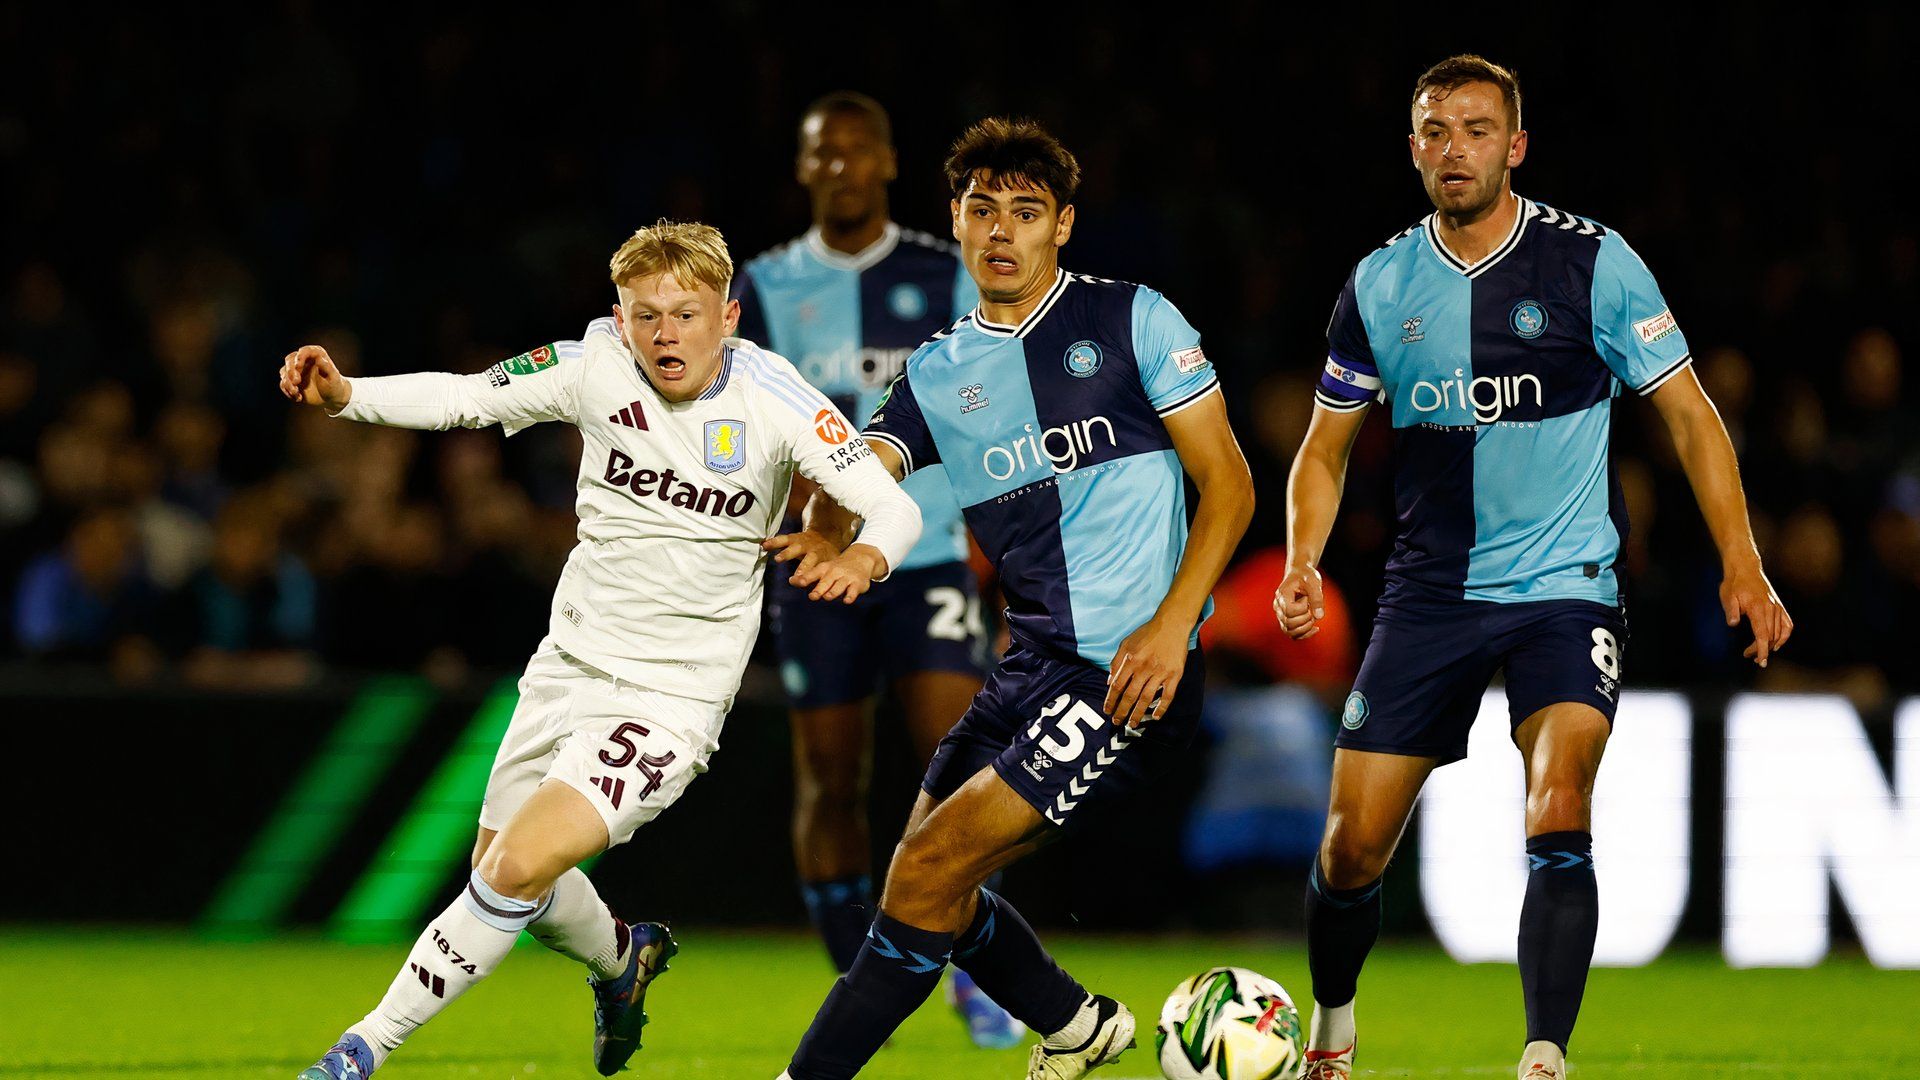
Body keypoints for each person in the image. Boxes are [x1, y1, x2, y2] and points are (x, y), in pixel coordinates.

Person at [282, 220, 922, 1080]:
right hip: (567, 667)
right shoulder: (591, 365)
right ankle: (623, 961)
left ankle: (357, 1052)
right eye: (645, 314)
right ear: (619, 320)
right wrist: (346, 395)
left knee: (516, 867)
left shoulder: (776, 399)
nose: (666, 334)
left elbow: (894, 507)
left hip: (671, 700)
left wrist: (863, 555)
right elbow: (469, 395)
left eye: (687, 314)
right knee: (507, 874)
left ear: (728, 316)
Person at [1272, 55, 1794, 1080]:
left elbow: (1689, 416)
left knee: (1559, 802)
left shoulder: (1593, 263)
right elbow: (1324, 448)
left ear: (1515, 146)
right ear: (1413, 148)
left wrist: (1745, 564)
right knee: (1348, 853)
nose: (1453, 148)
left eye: (1475, 129)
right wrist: (1301, 559)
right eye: (1435, 130)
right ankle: (1333, 1024)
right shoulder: (1379, 284)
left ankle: (1544, 1054)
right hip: (1429, 597)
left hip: (1567, 585)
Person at [765, 117, 1255, 1080]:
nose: (1000, 231)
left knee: (929, 870)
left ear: (1061, 225)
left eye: (1025, 212)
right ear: (954, 219)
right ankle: (1074, 1025)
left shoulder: (1130, 320)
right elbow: (867, 469)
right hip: (1028, 667)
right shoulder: (939, 371)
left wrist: (1170, 629)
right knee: (924, 872)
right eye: (981, 210)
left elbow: (1230, 486)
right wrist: (837, 528)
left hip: (1127, 674)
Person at [731, 92, 1020, 1048]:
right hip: (813, 565)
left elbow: (990, 412)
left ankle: (980, 974)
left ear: (890, 162)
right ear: (805, 167)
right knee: (830, 779)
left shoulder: (944, 275)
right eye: (825, 153)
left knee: (967, 771)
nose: (842, 167)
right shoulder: (765, 285)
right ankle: (859, 974)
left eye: (859, 151)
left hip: (925, 552)